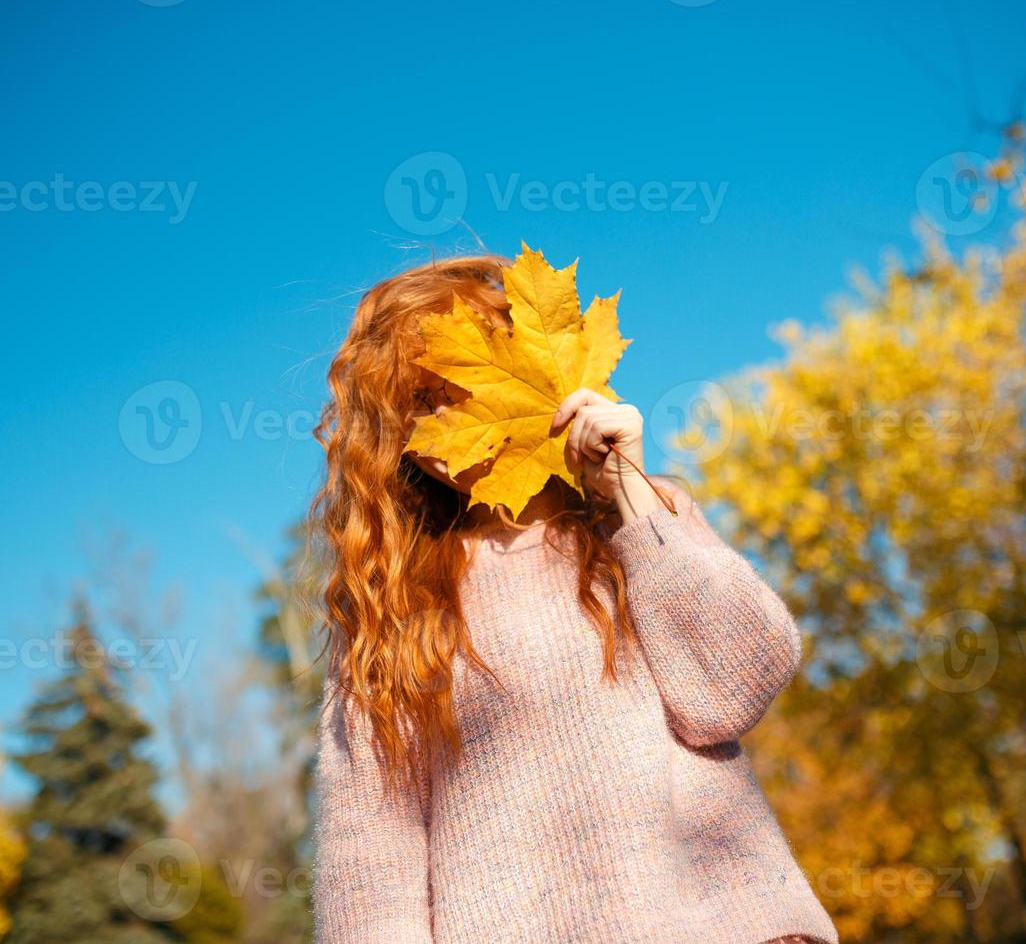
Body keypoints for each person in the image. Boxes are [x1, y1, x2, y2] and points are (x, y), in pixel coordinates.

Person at [308, 255, 837, 943]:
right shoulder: (392, 604)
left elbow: (732, 693)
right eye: (414, 402)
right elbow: (370, 856)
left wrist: (630, 497)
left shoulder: (637, 518)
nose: (445, 419)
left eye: (460, 384)